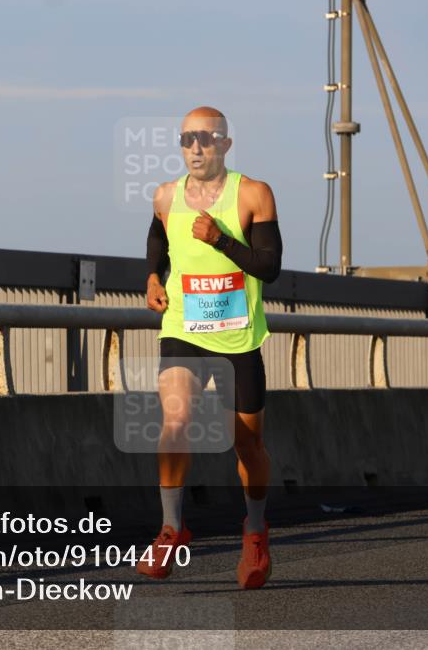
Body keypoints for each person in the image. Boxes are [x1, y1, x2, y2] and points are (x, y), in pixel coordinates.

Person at [138, 106, 283, 589]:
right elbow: (160, 236)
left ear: (225, 143)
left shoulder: (254, 194)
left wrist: (220, 238)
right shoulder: (165, 195)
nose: (196, 147)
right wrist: (153, 276)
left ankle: (256, 531)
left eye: (206, 138)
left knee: (248, 444)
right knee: (174, 422)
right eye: (187, 138)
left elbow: (268, 266)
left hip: (238, 337)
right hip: (183, 329)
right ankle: (171, 528)